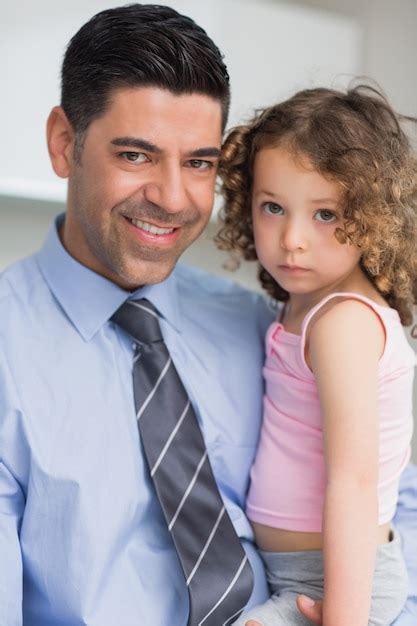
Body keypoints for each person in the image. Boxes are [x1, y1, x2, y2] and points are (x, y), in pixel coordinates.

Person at [0, 4, 416, 625]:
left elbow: (389, 494)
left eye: (198, 163)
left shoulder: (263, 322)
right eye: (135, 155)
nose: (172, 198)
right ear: (65, 144)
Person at [216, 85, 417, 626]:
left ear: (372, 217)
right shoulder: (308, 309)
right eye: (273, 207)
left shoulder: (343, 324)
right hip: (299, 572)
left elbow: (354, 481)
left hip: (340, 584)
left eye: (325, 214)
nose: (292, 239)